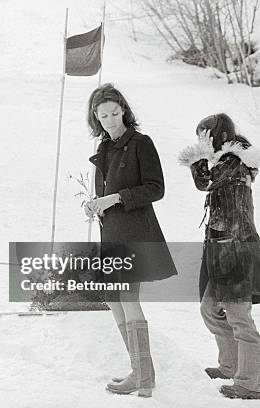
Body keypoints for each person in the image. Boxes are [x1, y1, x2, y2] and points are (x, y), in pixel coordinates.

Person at [84, 83, 177, 397]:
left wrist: (115, 199)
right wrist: (96, 204)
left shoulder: (140, 143)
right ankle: (140, 372)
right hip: (111, 235)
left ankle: (143, 376)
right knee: (113, 298)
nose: (110, 119)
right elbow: (105, 193)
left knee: (127, 298)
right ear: (95, 118)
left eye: (114, 112)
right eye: (103, 115)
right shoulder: (104, 150)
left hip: (136, 234)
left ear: (123, 109)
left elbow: (156, 188)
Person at [179, 113, 260, 399]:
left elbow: (204, 182)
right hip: (220, 247)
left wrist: (198, 157)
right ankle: (230, 365)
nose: (200, 142)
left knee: (239, 317)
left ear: (216, 136)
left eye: (203, 136)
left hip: (235, 248)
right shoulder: (228, 161)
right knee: (210, 309)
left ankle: (251, 382)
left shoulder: (233, 161)